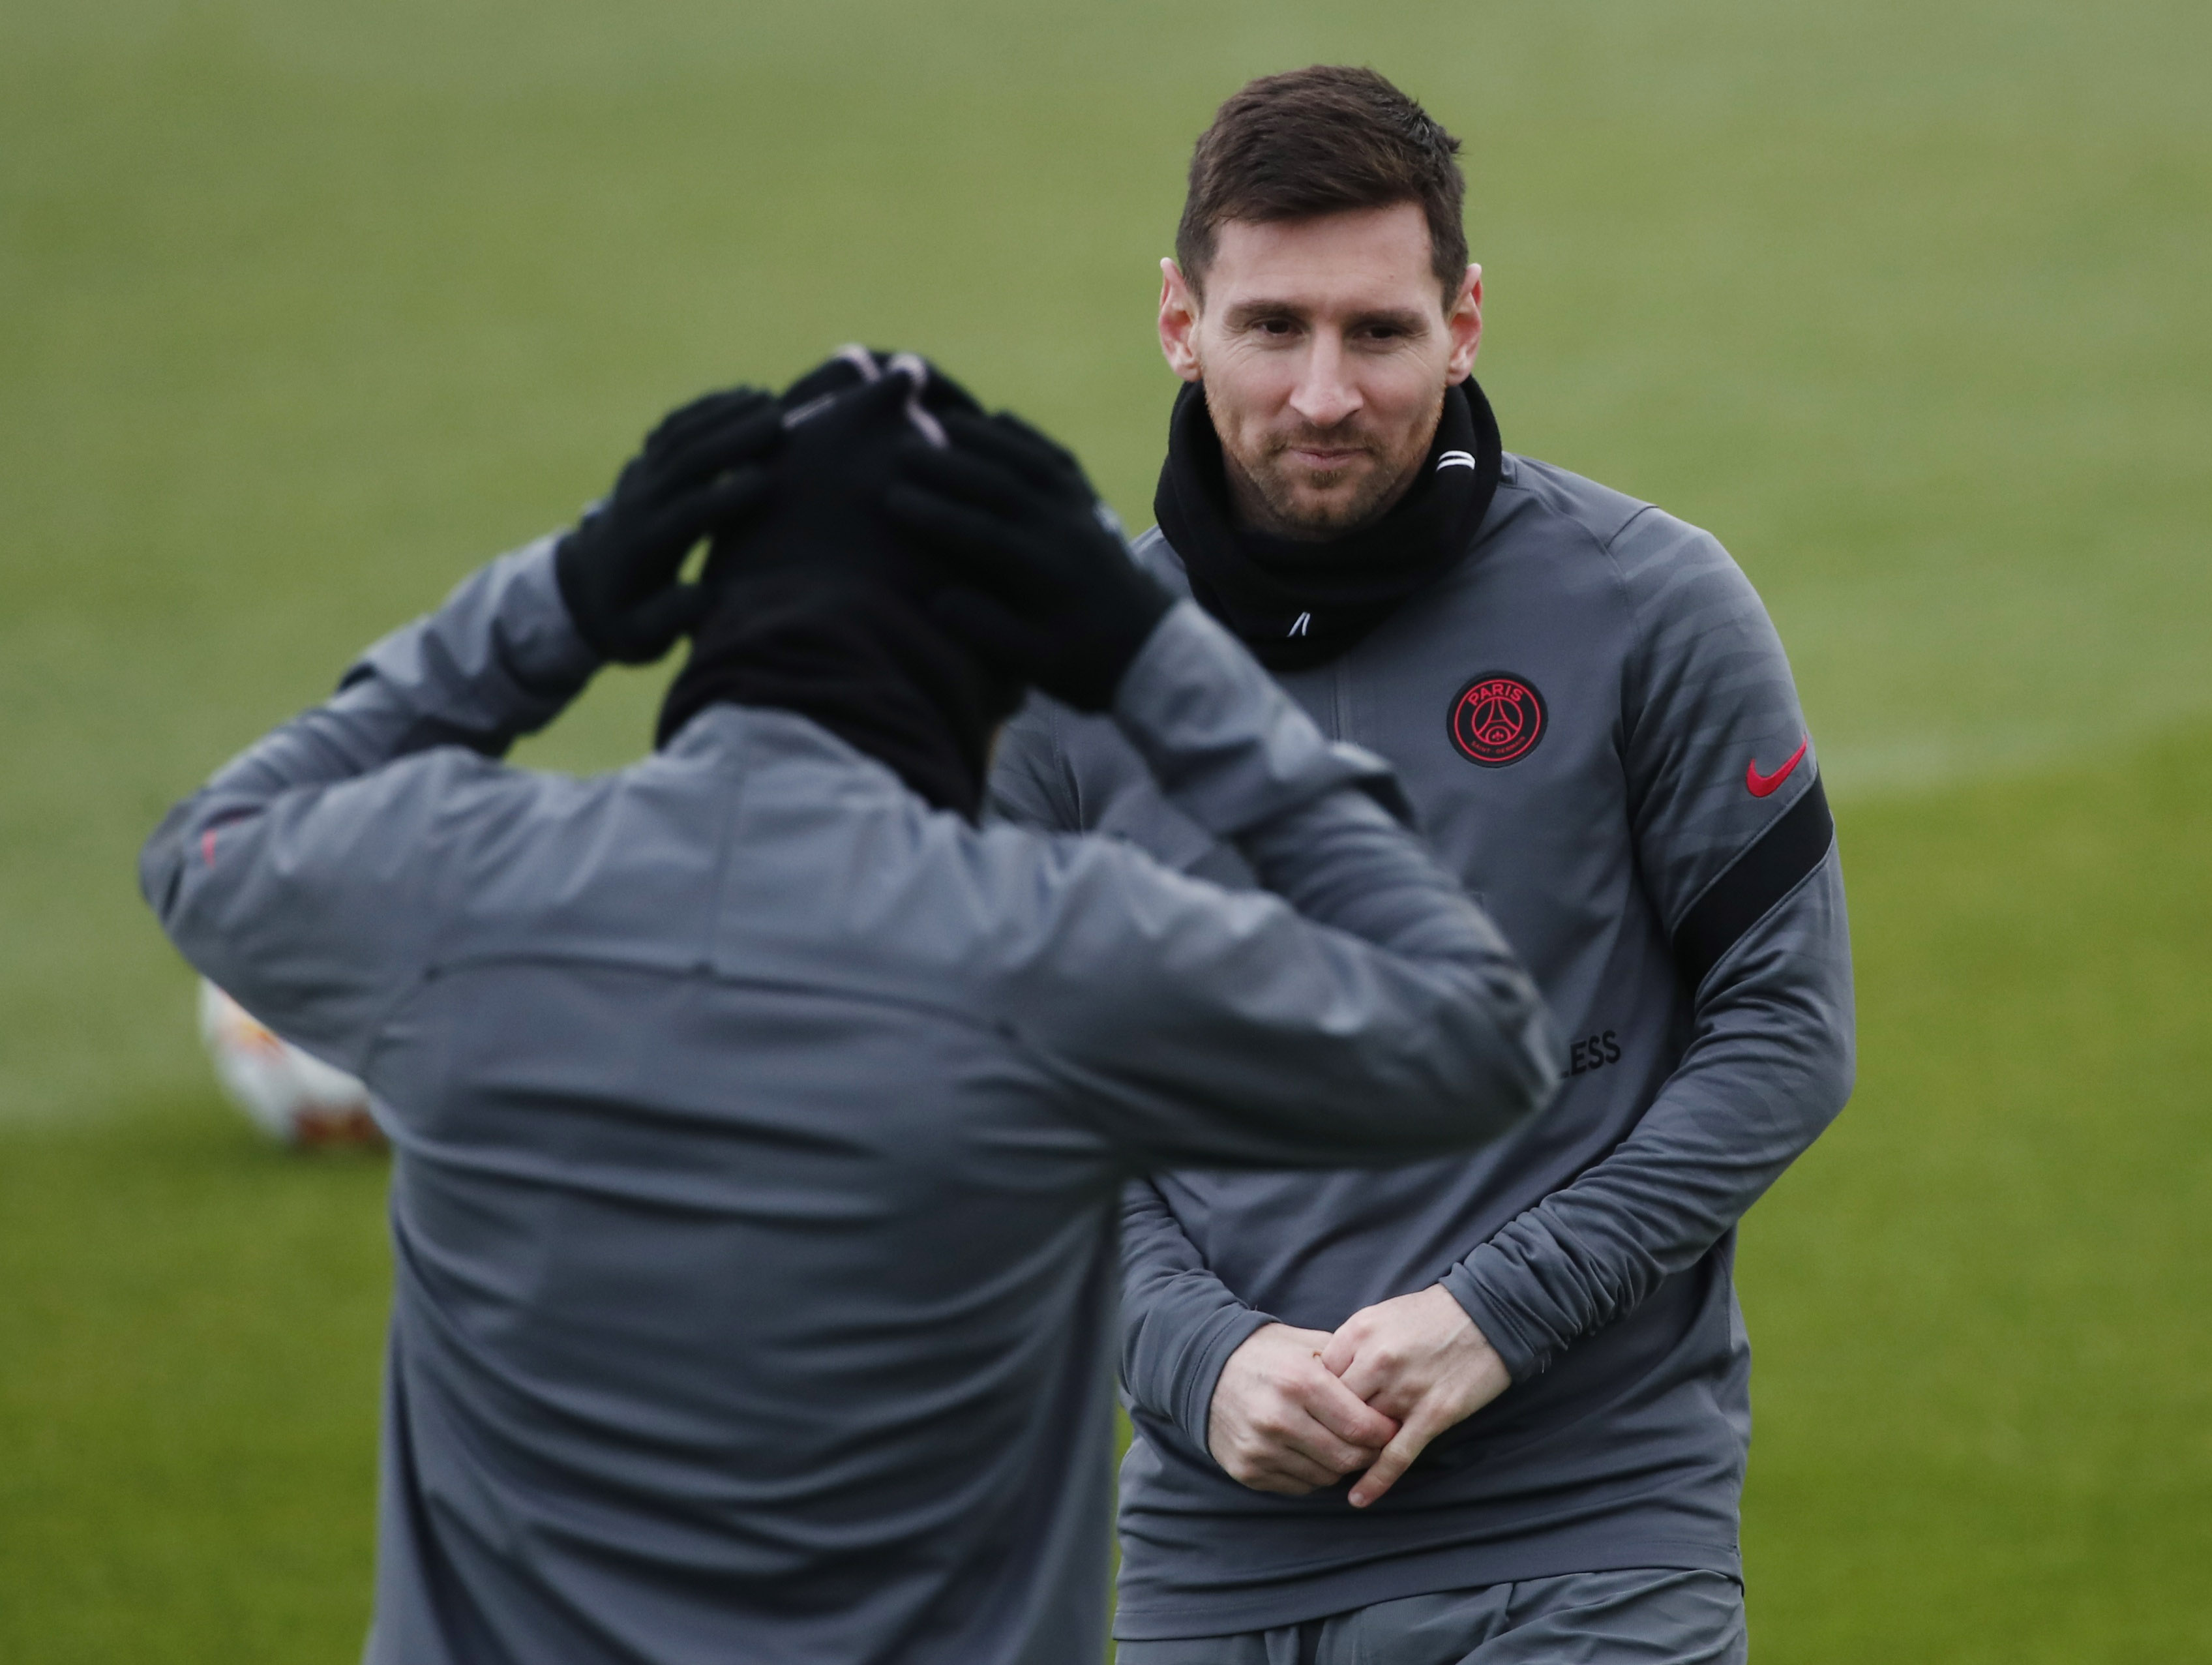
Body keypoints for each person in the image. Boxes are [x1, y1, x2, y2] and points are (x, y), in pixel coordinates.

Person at [138, 349, 1561, 1665]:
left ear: (704, 619)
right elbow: (1476, 1034)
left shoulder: (458, 891)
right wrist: (1158, 662)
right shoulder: (1050, 948)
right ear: (990, 679)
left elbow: (205, 846)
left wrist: (555, 601)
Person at [987, 68, 1857, 1662]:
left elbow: (1787, 1034)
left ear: (1462, 324)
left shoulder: (1646, 606)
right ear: (1181, 323)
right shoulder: (1055, 684)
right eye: (1274, 327)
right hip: (1210, 1569)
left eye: (1378, 333)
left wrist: (1496, 1311)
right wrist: (1197, 1357)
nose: (1325, 394)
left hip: (1591, 1537)